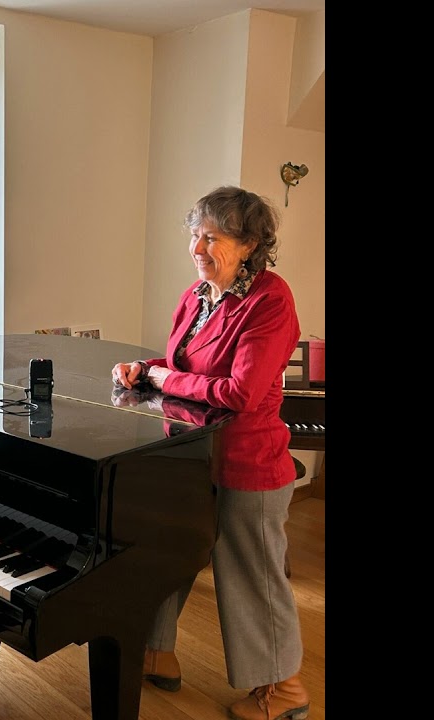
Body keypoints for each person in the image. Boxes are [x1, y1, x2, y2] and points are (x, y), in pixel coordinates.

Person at [111, 186, 310, 720]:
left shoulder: (270, 299)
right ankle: (157, 652)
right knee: (170, 552)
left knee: (252, 576)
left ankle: (285, 691)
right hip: (191, 459)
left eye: (213, 237)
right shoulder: (196, 295)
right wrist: (142, 367)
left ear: (248, 244)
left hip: (249, 462)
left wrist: (164, 376)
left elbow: (240, 392)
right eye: (194, 235)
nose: (199, 248)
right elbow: (185, 365)